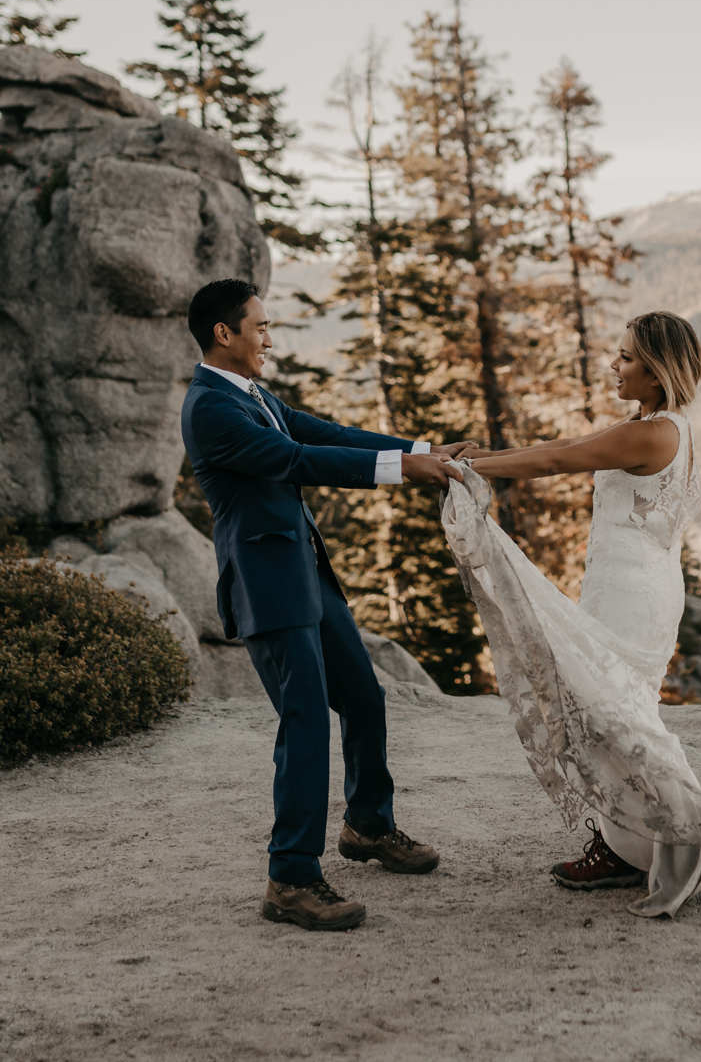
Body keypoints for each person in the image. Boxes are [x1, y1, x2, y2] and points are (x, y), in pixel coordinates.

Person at [179, 278, 472, 932]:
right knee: (307, 720)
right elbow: (298, 457)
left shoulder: (251, 393)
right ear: (224, 334)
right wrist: (402, 473)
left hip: (306, 575)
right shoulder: (209, 408)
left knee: (364, 696)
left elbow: (328, 430)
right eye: (260, 326)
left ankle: (368, 824)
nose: (269, 337)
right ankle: (289, 876)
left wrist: (420, 451)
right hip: (267, 585)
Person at [436, 310, 701, 918]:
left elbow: (558, 464)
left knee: (614, 715)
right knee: (606, 712)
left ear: (657, 371)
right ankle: (626, 845)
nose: (615, 365)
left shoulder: (652, 435)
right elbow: (563, 447)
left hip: (632, 593)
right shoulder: (657, 425)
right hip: (632, 586)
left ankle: (679, 831)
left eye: (627, 357)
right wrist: (481, 456)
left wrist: (466, 469)